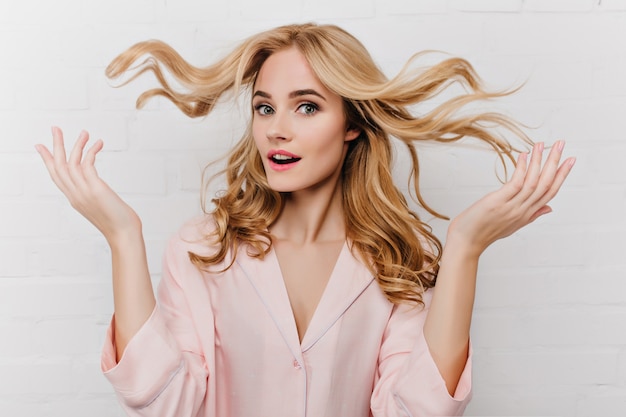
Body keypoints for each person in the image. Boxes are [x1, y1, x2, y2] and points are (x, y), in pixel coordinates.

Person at [35, 23, 574, 417]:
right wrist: (122, 237)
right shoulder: (204, 250)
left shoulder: (400, 262)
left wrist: (464, 248)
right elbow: (165, 403)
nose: (276, 129)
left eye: (307, 107)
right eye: (265, 107)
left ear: (352, 124)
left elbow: (417, 412)